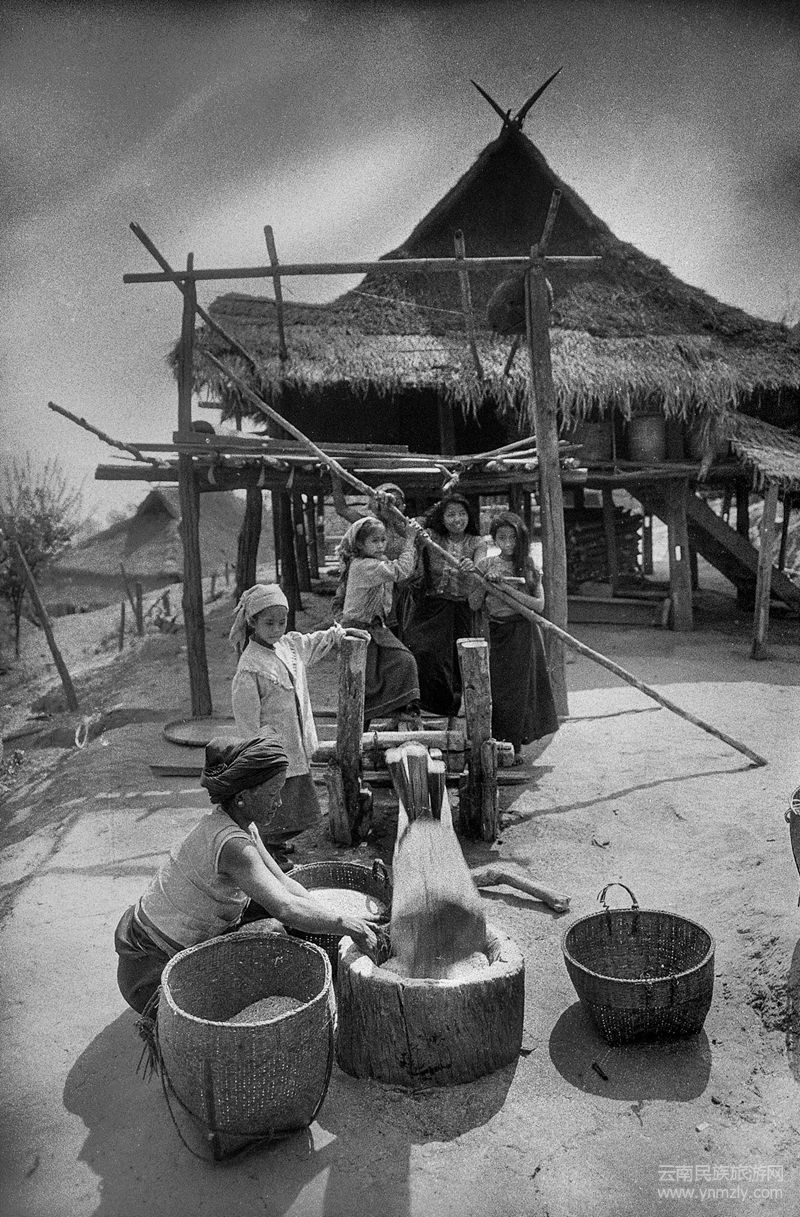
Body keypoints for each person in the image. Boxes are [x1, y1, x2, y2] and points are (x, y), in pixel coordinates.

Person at [114, 736, 381, 1015]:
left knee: (275, 919)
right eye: (272, 794)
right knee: (273, 937)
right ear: (241, 797)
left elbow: (284, 883)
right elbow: (285, 908)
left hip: (152, 945)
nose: (279, 802)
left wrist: (336, 917)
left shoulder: (242, 825)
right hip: (149, 969)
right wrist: (351, 927)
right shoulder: (233, 845)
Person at [229, 584, 369, 863]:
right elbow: (246, 719)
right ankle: (270, 850)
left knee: (293, 799)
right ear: (252, 621)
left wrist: (340, 634)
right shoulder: (250, 667)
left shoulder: (289, 646)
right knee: (272, 800)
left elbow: (313, 641)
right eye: (269, 623)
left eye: (281, 622)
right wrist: (256, 752)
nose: (276, 629)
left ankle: (278, 843)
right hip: (272, 748)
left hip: (295, 741)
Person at [472, 510, 559, 762]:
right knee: (497, 689)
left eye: (513, 538)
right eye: (502, 537)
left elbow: (538, 605)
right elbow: (473, 603)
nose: (508, 543)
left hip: (523, 632)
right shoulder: (486, 565)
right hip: (495, 632)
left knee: (519, 691)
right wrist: (485, 584)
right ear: (494, 539)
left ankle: (514, 747)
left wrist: (505, 590)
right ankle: (498, 744)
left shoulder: (529, 566)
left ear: (521, 539)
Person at [403, 493, 487, 719]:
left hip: (461, 608)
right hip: (432, 607)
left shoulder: (477, 543)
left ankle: (456, 705)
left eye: (462, 514)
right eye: (450, 514)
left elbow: (480, 567)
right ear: (442, 517)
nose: (457, 519)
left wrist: (472, 567)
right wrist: (420, 523)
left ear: (469, 516)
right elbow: (411, 524)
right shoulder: (432, 537)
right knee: (423, 650)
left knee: (458, 658)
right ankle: (430, 705)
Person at [336, 515, 422, 728]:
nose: (380, 545)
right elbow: (401, 570)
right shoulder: (364, 566)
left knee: (401, 662)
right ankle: (361, 728)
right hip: (357, 630)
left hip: (373, 628)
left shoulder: (374, 562)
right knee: (363, 682)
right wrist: (410, 540)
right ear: (359, 544)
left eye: (383, 540)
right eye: (374, 541)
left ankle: (400, 709)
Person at [331, 479, 413, 636]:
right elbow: (342, 509)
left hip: (391, 589)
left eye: (397, 504)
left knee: (390, 629)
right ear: (377, 506)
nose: (392, 508)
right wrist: (335, 475)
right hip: (368, 586)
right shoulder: (367, 526)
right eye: (388, 504)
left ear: (403, 506)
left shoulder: (403, 528)